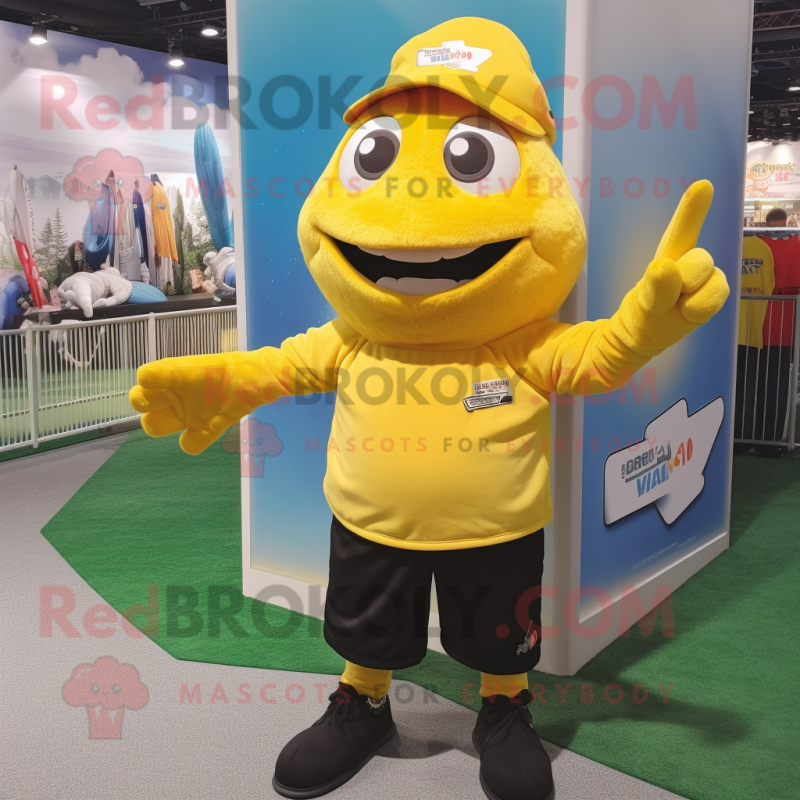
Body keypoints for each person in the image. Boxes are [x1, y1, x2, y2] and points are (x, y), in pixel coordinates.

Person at [129, 18, 729, 800]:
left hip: (499, 528)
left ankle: (504, 709)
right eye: (375, 153)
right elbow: (283, 365)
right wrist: (220, 383)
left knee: (501, 630)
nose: (412, 215)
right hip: (369, 522)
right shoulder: (355, 338)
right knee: (366, 622)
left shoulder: (523, 343)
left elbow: (598, 358)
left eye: (473, 156)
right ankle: (362, 704)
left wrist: (650, 322)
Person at [757, 208, 800, 455]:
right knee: (778, 384)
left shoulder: (758, 245)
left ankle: (766, 439)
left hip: (762, 329)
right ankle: (773, 440)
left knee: (760, 383)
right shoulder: (764, 245)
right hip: (780, 330)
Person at [735, 235, 774, 452]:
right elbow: (769, 285)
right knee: (747, 389)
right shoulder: (763, 248)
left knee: (729, 386)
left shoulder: (729, 243)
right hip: (751, 327)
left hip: (728, 331)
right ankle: (743, 438)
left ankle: (731, 439)